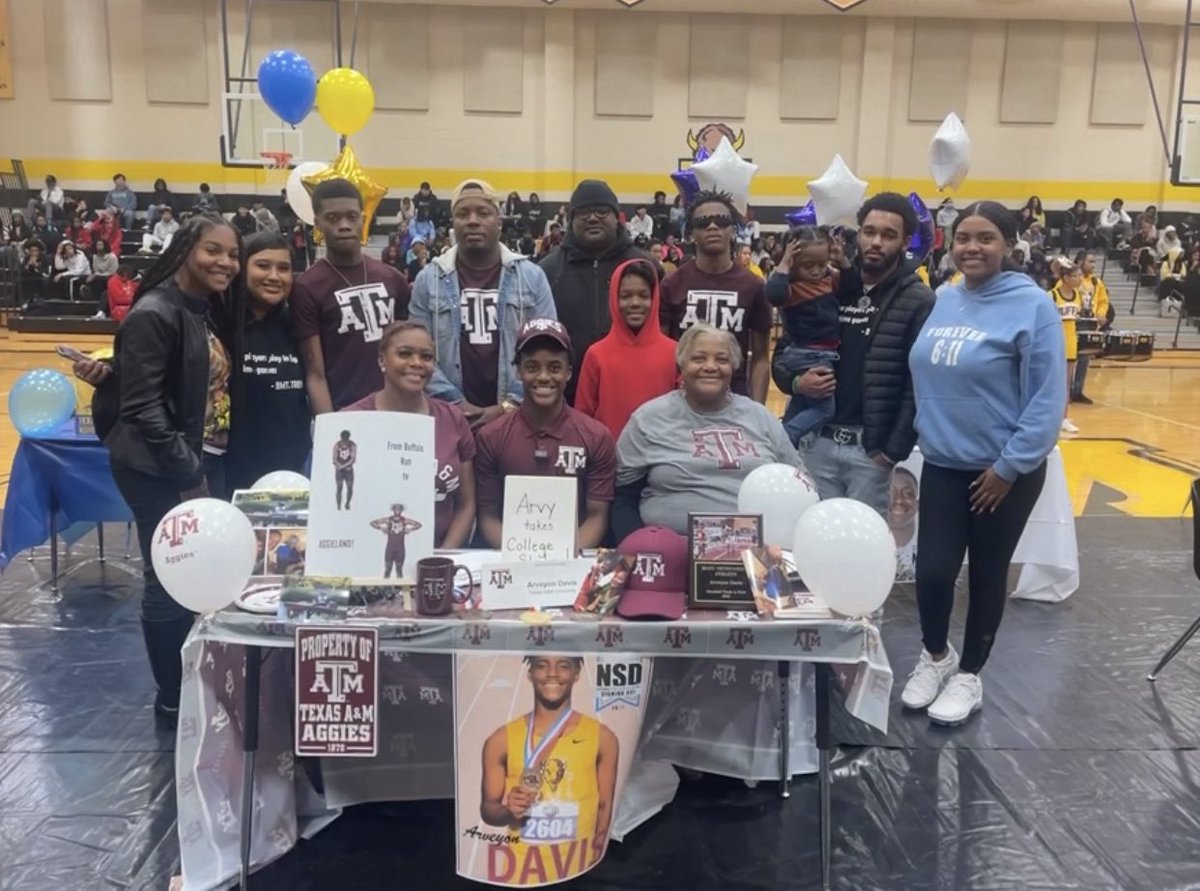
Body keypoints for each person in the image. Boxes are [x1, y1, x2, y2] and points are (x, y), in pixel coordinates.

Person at [903, 200, 1065, 725]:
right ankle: (935, 656)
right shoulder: (945, 300)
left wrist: (1009, 466)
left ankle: (970, 675)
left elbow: (1046, 399)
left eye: (986, 237)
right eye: (963, 237)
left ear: (1010, 244)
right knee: (931, 573)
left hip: (1003, 472)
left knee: (988, 574)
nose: (972, 247)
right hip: (945, 464)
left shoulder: (1033, 305)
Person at [102, 214, 241, 726]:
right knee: (168, 576)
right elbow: (143, 408)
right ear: (185, 250)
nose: (225, 262)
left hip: (199, 459)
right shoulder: (155, 312)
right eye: (213, 250)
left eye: (231, 254)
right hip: (159, 468)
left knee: (200, 576)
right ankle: (171, 699)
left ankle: (197, 679)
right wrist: (188, 475)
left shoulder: (199, 311)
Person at [788, 192, 934, 517]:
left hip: (869, 452)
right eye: (870, 232)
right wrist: (796, 382)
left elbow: (918, 383)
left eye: (888, 234)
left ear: (906, 241)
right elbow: (787, 350)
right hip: (816, 442)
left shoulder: (919, 299)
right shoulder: (825, 283)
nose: (876, 242)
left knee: (862, 557)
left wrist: (891, 450)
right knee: (812, 547)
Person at [612, 324, 804, 542]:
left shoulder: (761, 417)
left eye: (721, 359)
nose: (710, 367)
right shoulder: (648, 419)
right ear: (681, 365)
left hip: (754, 552)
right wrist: (640, 546)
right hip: (670, 550)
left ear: (734, 366)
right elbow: (622, 498)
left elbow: (801, 484)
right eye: (698, 359)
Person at [409, 179, 556, 429]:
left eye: (483, 213)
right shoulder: (429, 279)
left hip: (518, 420)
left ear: (499, 223)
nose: (473, 220)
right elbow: (418, 354)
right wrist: (457, 406)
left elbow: (546, 347)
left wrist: (507, 406)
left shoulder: (531, 277)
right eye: (463, 214)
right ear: (453, 224)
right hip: (448, 420)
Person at [474, 319, 616, 551]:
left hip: (572, 557)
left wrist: (560, 557)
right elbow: (488, 517)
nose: (543, 377)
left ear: (569, 372)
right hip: (509, 557)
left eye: (554, 367)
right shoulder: (491, 437)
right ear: (519, 371)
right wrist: (523, 554)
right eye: (532, 367)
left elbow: (596, 517)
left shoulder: (596, 437)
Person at [343, 322, 477, 548]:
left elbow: (466, 504)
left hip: (439, 558)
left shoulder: (453, 419)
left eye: (426, 357)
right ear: (381, 360)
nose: (416, 363)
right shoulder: (349, 422)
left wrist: (441, 559)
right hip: (364, 558)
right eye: (404, 354)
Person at [480, 655, 618, 870]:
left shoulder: (603, 737)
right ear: (529, 674)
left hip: (577, 867)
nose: (552, 673)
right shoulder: (500, 740)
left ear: (577, 674)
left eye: (563, 666)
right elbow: (488, 810)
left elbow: (605, 804)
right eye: (541, 666)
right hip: (522, 869)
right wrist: (508, 810)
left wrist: (597, 853)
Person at [293, 178, 411, 412]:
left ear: (363, 219)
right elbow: (316, 373)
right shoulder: (307, 286)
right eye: (333, 218)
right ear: (317, 224)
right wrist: (329, 426)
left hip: (396, 410)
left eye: (351, 216)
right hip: (345, 412)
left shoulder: (393, 279)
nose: (344, 225)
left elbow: (408, 352)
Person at [538, 180, 653, 406]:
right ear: (570, 220)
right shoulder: (547, 270)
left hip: (633, 390)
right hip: (566, 397)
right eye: (583, 212)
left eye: (601, 211)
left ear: (617, 217)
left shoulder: (644, 265)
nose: (592, 218)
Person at [659, 191, 771, 403]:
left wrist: (757, 412)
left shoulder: (754, 286)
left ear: (733, 230)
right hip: (681, 402)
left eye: (721, 221)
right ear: (691, 233)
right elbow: (662, 356)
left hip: (735, 402)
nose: (712, 227)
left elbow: (761, 358)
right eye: (702, 222)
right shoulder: (671, 285)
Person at [221, 232, 312, 492]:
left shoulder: (299, 325)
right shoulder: (220, 323)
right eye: (263, 266)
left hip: (290, 476)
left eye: (283, 268)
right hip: (229, 475)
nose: (274, 276)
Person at [575, 260, 678, 440]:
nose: (635, 303)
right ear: (614, 298)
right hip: (609, 460)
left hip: (662, 459)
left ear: (654, 298)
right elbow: (583, 417)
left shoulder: (674, 353)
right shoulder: (596, 354)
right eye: (626, 296)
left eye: (643, 295)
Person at [767, 227, 841, 447]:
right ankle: (786, 435)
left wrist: (842, 260)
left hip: (820, 352)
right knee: (824, 409)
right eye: (808, 266)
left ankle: (783, 434)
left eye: (822, 264)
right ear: (794, 263)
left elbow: (851, 280)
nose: (817, 271)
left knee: (802, 403)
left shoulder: (828, 281)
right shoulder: (793, 289)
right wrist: (784, 263)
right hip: (809, 353)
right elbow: (773, 294)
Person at [1071, 251, 1111, 405]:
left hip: (1089, 322)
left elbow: (1103, 301)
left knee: (1084, 359)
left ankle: (1078, 391)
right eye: (1090, 261)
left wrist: (1101, 314)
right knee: (1068, 359)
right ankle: (1066, 391)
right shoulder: (1071, 279)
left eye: (1094, 262)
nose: (1093, 265)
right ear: (1080, 261)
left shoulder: (1096, 282)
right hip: (1073, 322)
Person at [1049, 259, 1084, 435]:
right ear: (1066, 278)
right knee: (1052, 382)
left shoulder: (1078, 296)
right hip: (1054, 341)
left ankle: (1063, 417)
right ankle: (1052, 417)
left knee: (1066, 382)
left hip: (1070, 341)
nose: (1080, 279)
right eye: (1076, 276)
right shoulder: (1052, 295)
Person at [370, 504, 422, 578]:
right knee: (388, 569)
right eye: (396, 509)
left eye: (399, 509)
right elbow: (373, 523)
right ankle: (386, 586)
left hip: (400, 547)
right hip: (390, 547)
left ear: (401, 510)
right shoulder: (388, 519)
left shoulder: (404, 520)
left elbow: (418, 525)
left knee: (399, 570)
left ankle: (399, 587)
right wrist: (381, 528)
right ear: (393, 510)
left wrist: (410, 529)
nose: (397, 510)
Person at [889, 466, 918, 583]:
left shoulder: (933, 544)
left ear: (918, 503)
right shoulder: (867, 544)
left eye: (908, 493)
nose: (898, 500)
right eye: (891, 493)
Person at [332, 430, 357, 510]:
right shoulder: (337, 445)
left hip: (348, 469)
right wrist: (339, 466)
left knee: (350, 488)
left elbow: (353, 459)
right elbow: (334, 459)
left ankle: (347, 503)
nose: (344, 439)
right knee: (339, 487)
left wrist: (344, 466)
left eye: (346, 438)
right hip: (339, 470)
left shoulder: (352, 445)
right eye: (343, 438)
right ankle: (338, 506)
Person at [20, 240, 50, 305]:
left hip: (40, 276)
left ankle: (42, 298)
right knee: (22, 280)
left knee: (41, 280)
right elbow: (22, 271)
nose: (34, 253)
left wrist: (36, 265)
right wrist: (27, 265)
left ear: (39, 251)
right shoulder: (27, 258)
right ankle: (26, 300)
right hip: (29, 276)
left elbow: (45, 272)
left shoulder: (44, 258)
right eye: (31, 251)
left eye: (36, 251)